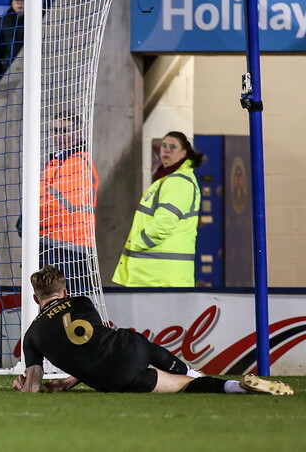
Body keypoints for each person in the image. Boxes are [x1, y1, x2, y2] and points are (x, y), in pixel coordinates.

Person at [15, 265, 293, 395]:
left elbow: (34, 386)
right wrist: (67, 382)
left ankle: (233, 388)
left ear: (35, 299)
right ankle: (200, 373)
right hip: (130, 348)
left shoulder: (32, 336)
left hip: (116, 379)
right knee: (141, 346)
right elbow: (93, 344)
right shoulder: (82, 301)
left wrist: (29, 386)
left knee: (186, 389)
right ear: (64, 291)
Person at [113, 131, 203, 288]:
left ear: (184, 153)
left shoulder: (179, 181)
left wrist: (138, 243)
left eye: (173, 147)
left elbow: (164, 222)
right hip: (153, 274)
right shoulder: (167, 179)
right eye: (164, 146)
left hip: (160, 276)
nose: (166, 150)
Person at [39, 112, 99, 278]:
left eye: (64, 131)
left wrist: (29, 221)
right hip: (55, 245)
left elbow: (59, 208)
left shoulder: (77, 162)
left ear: (78, 133)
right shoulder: (55, 163)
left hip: (69, 250)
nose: (58, 136)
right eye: (56, 131)